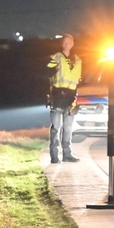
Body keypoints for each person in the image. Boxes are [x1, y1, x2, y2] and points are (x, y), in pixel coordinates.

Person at [47, 34, 82, 163]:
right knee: (56, 127)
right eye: (64, 42)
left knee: (68, 128)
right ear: (62, 44)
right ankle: (54, 155)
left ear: (72, 43)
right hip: (58, 96)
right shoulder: (57, 57)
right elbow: (47, 71)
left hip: (71, 97)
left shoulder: (78, 60)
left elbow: (78, 80)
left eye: (69, 42)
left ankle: (67, 154)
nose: (67, 44)